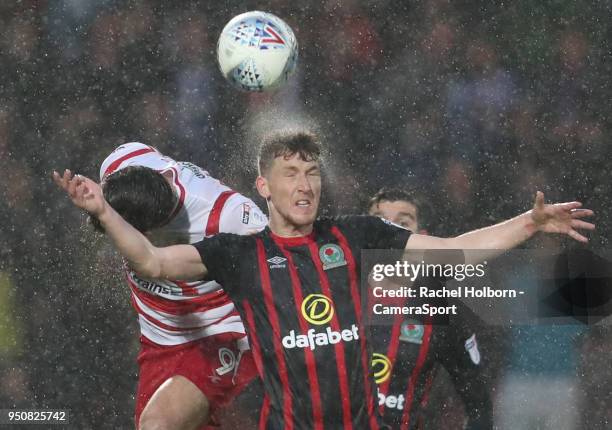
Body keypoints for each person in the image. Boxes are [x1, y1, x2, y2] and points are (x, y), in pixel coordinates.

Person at [53, 130, 594, 429]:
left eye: (312, 173)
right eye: (291, 174)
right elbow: (151, 262)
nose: (305, 185)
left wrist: (530, 222)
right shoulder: (241, 253)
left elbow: (451, 252)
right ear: (264, 186)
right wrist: (102, 211)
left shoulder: (353, 238)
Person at [92, 142, 267, 430]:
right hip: (160, 339)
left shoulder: (230, 215)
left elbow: (281, 269)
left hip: (223, 332)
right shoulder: (122, 163)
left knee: (158, 425)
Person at [367, 187, 492, 429]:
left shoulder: (439, 310)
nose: (391, 231)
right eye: (380, 222)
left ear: (420, 238)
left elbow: (479, 404)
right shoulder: (335, 291)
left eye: (402, 223)